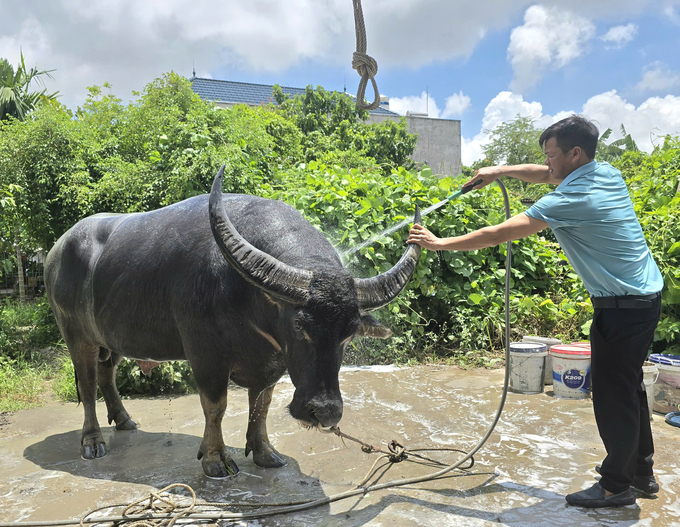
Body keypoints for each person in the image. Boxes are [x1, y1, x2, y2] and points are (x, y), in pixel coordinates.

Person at [407, 115, 663, 509]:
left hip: (621, 308)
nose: (547, 166)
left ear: (574, 153)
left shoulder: (571, 199)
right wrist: (498, 171)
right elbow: (544, 176)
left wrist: (439, 243)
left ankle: (616, 486)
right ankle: (641, 474)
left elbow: (502, 231)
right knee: (629, 388)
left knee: (614, 396)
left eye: (552, 156)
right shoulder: (605, 172)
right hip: (643, 299)